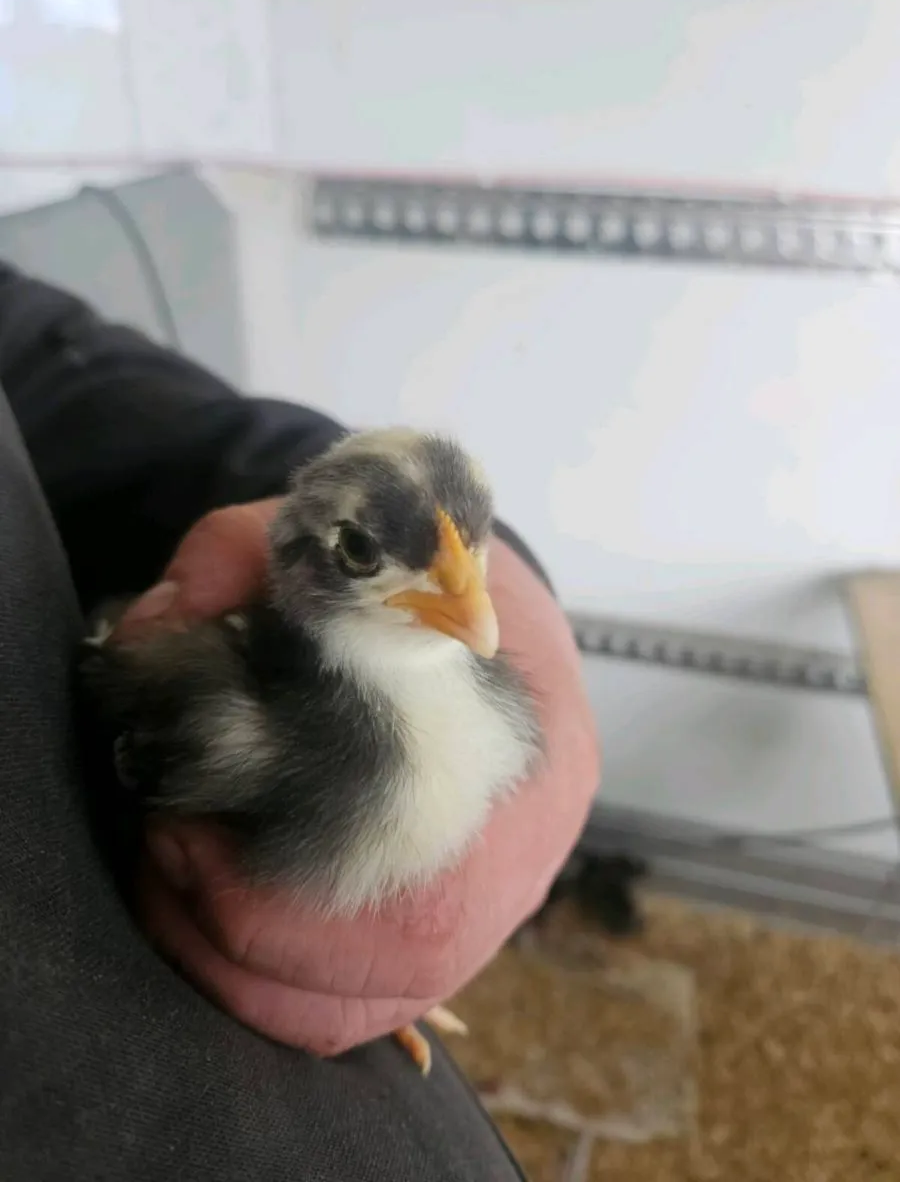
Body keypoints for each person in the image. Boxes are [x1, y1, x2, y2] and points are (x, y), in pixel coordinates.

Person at [0, 259, 599, 1181]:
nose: (471, 605)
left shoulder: (494, 698)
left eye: (473, 552)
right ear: (311, 566)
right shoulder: (228, 726)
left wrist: (520, 580)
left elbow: (47, 352)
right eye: (363, 552)